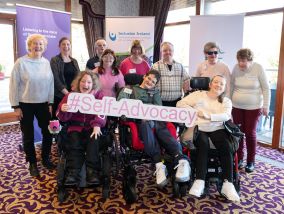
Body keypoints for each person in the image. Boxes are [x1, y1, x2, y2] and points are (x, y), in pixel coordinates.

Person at [117, 69, 190, 187]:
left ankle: (181, 158)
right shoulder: (129, 89)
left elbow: (158, 109)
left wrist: (145, 108)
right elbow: (120, 103)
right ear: (144, 76)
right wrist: (141, 109)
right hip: (138, 122)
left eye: (153, 82)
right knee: (146, 122)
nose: (150, 82)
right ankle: (158, 163)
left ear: (155, 85)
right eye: (149, 78)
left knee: (162, 125)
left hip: (155, 121)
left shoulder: (155, 92)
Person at [177, 75, 240, 202]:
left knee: (226, 145)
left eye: (221, 84)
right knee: (203, 143)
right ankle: (199, 180)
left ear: (224, 88)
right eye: (216, 82)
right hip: (199, 127)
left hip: (217, 127)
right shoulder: (198, 95)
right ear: (210, 84)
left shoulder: (226, 101)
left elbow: (226, 115)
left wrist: (208, 116)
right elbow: (180, 103)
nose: (218, 85)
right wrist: (194, 111)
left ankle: (228, 184)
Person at [9, 34, 54, 177]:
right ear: (29, 45)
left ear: (44, 47)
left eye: (41, 44)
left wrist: (50, 102)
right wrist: (16, 106)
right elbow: (13, 85)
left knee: (48, 132)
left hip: (43, 103)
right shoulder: (21, 62)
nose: (38, 46)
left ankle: (46, 158)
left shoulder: (46, 63)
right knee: (28, 135)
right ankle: (32, 163)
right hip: (25, 104)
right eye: (35, 43)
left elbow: (51, 84)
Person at [56, 71, 106, 185]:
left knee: (94, 141)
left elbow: (102, 111)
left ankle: (92, 171)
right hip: (75, 126)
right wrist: (63, 109)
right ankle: (73, 172)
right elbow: (60, 115)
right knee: (74, 143)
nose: (86, 84)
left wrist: (97, 125)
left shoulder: (99, 95)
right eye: (83, 81)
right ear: (79, 83)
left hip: (92, 126)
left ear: (93, 84)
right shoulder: (71, 96)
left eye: (89, 82)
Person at [231, 48, 270, 173]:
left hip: (253, 107)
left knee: (250, 133)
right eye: (239, 61)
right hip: (236, 106)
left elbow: (266, 88)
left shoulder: (258, 68)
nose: (241, 64)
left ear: (250, 60)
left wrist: (266, 106)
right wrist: (228, 103)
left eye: (244, 61)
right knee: (238, 133)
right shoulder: (236, 68)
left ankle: (251, 161)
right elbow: (231, 85)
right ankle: (240, 159)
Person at [152, 41, 190, 107]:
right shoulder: (155, 66)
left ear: (173, 52)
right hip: (160, 103)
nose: (168, 52)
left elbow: (186, 81)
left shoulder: (180, 66)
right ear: (161, 52)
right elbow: (151, 83)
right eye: (165, 50)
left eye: (170, 50)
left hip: (177, 103)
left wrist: (185, 97)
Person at [50, 37, 80, 119]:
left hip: (73, 95)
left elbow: (79, 77)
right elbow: (55, 79)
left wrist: (74, 92)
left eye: (68, 44)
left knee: (71, 119)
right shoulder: (54, 60)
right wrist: (67, 93)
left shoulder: (74, 61)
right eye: (63, 44)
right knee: (58, 120)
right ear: (59, 46)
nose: (66, 46)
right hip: (60, 95)